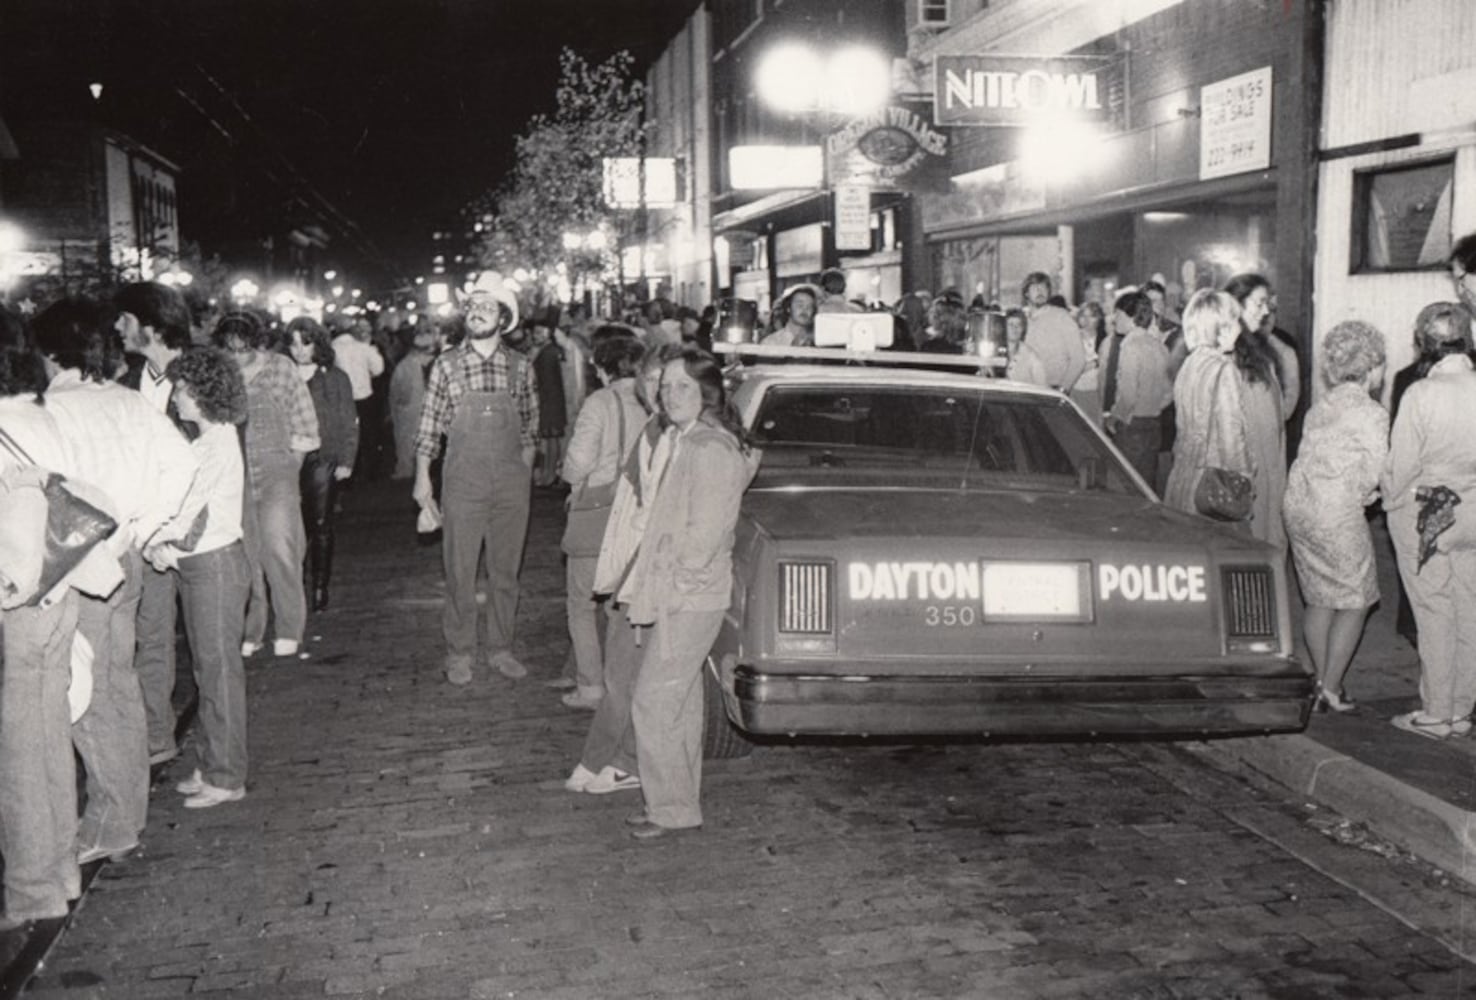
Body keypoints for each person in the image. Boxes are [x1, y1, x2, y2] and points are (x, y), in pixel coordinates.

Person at [32, 298, 198, 865]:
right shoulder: (126, 401)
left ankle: (111, 821)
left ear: (52, 353)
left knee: (90, 689)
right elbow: (182, 464)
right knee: (116, 680)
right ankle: (125, 810)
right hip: (123, 556)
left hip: (77, 563)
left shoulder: (51, 410)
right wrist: (144, 527)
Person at [617, 346, 759, 841]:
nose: (670, 395)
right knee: (678, 702)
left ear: (707, 392)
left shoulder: (709, 448)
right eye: (665, 386)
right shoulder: (691, 438)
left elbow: (707, 535)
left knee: (653, 701)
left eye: (682, 387)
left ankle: (672, 808)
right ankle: (676, 803)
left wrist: (676, 582)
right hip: (686, 592)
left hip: (691, 595)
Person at [412, 272, 538, 685]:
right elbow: (429, 427)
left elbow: (530, 430)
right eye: (473, 306)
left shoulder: (521, 368)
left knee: (506, 572)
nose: (477, 313)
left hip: (510, 483)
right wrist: (422, 480)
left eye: (487, 307)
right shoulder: (447, 365)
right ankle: (460, 652)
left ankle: (501, 649)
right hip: (462, 481)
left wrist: (520, 476)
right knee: (460, 572)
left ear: (503, 317)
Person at [0, 341, 88, 929]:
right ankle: (62, 869)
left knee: (19, 750)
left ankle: (33, 890)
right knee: (51, 732)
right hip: (64, 585)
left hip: (21, 597)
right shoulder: (44, 414)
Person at [565, 343, 679, 796]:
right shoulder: (654, 428)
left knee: (624, 673)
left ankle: (611, 759)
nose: (661, 392)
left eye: (671, 384)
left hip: (646, 568)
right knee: (625, 670)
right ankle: (609, 758)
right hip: (628, 561)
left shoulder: (677, 436)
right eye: (654, 382)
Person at [147, 346, 252, 807]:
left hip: (212, 566)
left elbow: (190, 515)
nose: (176, 400)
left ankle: (227, 777)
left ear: (204, 394)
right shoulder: (209, 441)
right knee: (208, 669)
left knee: (219, 673)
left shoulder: (215, 444)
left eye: (184, 391)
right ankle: (214, 762)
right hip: (203, 567)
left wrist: (156, 543)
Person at [1283, 321, 1389, 713]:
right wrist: (1368, 496)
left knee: (1319, 596)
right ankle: (1331, 686)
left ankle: (1318, 683)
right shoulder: (1371, 413)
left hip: (1299, 506)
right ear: (1373, 366)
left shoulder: (1319, 406)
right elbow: (1374, 472)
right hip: (1335, 509)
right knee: (1356, 599)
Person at [1381, 301, 1476, 739]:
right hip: (1474, 512)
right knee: (1470, 607)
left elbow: (1401, 467)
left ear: (1424, 343)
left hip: (1430, 514)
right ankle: (1461, 708)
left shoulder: (1421, 394)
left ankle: (1436, 711)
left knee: (1434, 610)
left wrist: (1387, 500)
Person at [113, 281, 195, 767]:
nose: (116, 329)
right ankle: (158, 737)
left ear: (149, 323)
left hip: (199, 527)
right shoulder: (125, 384)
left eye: (123, 320)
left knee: (208, 643)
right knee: (154, 635)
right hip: (149, 530)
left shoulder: (201, 370)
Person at [212, 311, 319, 658]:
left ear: (256, 344)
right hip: (235, 470)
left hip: (277, 469)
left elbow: (304, 423)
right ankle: (252, 628)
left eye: (243, 350)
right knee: (246, 554)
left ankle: (289, 627)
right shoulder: (220, 375)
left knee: (280, 548)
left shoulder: (280, 368)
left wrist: (289, 468)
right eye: (230, 351)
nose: (237, 358)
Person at [558, 330, 647, 711]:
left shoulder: (600, 402)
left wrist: (569, 478)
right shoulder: (651, 401)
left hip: (599, 513)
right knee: (620, 604)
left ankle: (591, 685)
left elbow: (578, 461)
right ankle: (621, 683)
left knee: (581, 602)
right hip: (639, 514)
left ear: (601, 366)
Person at [284, 317, 358, 612]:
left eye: (305, 343)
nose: (299, 350)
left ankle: (319, 586)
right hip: (288, 457)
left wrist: (346, 459)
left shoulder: (335, 377)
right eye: (293, 344)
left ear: (318, 343)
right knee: (291, 525)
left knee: (320, 522)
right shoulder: (283, 375)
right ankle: (293, 585)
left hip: (322, 457)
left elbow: (348, 419)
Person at [1162, 290, 1254, 522]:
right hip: (1212, 486)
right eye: (1234, 322)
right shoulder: (1224, 370)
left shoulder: (1188, 365)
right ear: (1220, 328)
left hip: (1182, 476)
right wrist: (1244, 481)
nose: (1239, 329)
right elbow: (1231, 435)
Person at [1222, 274, 1289, 551]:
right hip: (1250, 467)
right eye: (1259, 303)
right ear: (1236, 305)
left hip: (1271, 461)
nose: (1266, 311)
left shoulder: (1261, 350)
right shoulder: (1227, 357)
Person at [1100, 291, 1174, 484]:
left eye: (1117, 314)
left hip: (1132, 428)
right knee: (1145, 485)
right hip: (1154, 425)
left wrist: (1113, 419)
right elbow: (1169, 392)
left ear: (1130, 316)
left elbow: (1128, 395)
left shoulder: (1130, 346)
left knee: (1123, 486)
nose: (1114, 319)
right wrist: (1154, 407)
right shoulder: (1160, 347)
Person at [332, 316, 384, 479]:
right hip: (364, 397)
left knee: (347, 436)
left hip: (342, 399)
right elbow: (378, 369)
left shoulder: (332, 347)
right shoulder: (362, 347)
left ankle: (351, 472)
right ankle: (371, 472)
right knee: (369, 434)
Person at [1020, 272, 1085, 393]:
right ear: (1026, 293)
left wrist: (1063, 389)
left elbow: (1078, 359)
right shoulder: (1022, 320)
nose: (1040, 291)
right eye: (1035, 287)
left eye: (1044, 287)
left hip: (1053, 389)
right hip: (1027, 390)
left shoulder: (1062, 317)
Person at [1071, 301, 1106, 425]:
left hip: (1097, 392)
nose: (1086, 320)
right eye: (1083, 315)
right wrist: (1097, 362)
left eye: (1091, 316)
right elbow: (1076, 366)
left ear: (1099, 318)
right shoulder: (1073, 337)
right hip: (1076, 390)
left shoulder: (1105, 338)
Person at [1002, 308, 1048, 385]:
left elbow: (1043, 386)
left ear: (1023, 329)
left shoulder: (1031, 356)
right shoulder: (993, 351)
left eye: (1019, 325)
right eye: (1011, 324)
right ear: (1003, 327)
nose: (1015, 328)